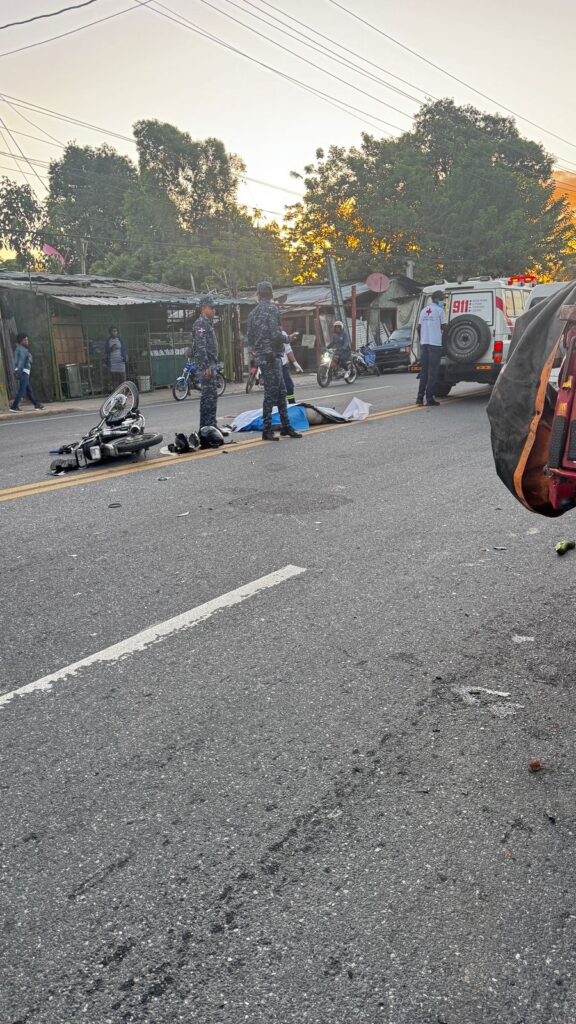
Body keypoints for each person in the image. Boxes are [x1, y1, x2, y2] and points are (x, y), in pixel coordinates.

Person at [247, 281, 302, 441]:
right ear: (270, 294)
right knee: (272, 394)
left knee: (280, 392)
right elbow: (276, 335)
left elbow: (249, 338)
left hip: (263, 358)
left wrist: (255, 353)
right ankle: (268, 430)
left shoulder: (252, 314)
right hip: (273, 357)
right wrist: (288, 338)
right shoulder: (272, 310)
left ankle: (285, 427)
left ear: (258, 294)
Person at [192, 294, 219, 430]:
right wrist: (206, 366)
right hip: (206, 366)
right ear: (204, 308)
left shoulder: (207, 323)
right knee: (208, 398)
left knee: (211, 397)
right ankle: (207, 428)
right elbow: (201, 346)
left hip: (210, 364)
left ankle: (211, 426)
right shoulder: (201, 323)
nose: (214, 310)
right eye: (212, 307)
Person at [416, 291, 447, 407]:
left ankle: (419, 397)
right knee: (432, 373)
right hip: (435, 345)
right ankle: (429, 399)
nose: (443, 301)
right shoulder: (440, 311)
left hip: (425, 344)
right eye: (443, 299)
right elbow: (444, 327)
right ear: (437, 299)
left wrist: (422, 339)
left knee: (424, 372)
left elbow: (418, 328)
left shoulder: (424, 311)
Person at [10, 333, 43, 411]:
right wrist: (18, 370)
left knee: (29, 390)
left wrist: (17, 370)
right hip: (24, 372)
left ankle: (36, 404)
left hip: (24, 372)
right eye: (25, 340)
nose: (27, 341)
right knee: (22, 390)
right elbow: (21, 361)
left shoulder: (19, 349)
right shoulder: (22, 350)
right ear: (21, 341)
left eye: (27, 339)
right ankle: (14, 406)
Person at [281, 331, 303, 404]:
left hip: (283, 365)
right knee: (276, 390)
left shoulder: (282, 333)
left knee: (289, 387)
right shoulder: (264, 334)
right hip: (271, 367)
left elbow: (288, 350)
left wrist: (295, 362)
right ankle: (276, 407)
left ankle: (292, 403)